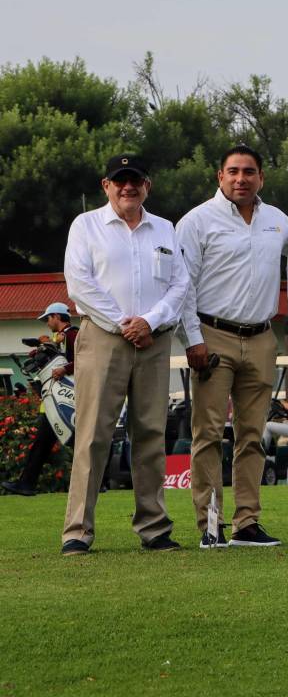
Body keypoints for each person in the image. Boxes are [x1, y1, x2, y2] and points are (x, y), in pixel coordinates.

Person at [60, 154, 188, 555]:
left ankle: (154, 528)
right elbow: (79, 283)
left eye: (135, 180)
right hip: (103, 338)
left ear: (147, 185)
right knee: (93, 433)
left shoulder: (164, 228)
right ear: (106, 185)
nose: (128, 187)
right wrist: (124, 323)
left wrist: (149, 321)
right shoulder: (86, 226)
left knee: (150, 433)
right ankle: (78, 531)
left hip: (153, 341)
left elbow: (180, 284)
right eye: (120, 180)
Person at [176, 143, 288, 549]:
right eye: (233, 172)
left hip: (262, 337)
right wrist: (192, 340)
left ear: (261, 177)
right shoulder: (196, 222)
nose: (241, 179)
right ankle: (211, 526)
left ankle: (247, 524)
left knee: (252, 435)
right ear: (219, 176)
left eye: (249, 172)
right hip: (213, 335)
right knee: (207, 434)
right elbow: (182, 286)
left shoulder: (278, 221)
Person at [1, 303, 78, 497]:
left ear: (56, 316)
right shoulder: (61, 337)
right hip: (56, 401)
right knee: (45, 445)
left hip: (66, 400)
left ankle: (26, 483)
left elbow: (83, 360)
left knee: (72, 443)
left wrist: (64, 369)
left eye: (47, 319)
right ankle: (26, 483)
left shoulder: (72, 335)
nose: (46, 323)